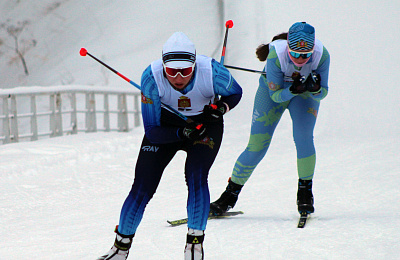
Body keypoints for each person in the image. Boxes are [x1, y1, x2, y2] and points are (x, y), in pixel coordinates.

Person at [97, 32, 242, 260]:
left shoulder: (212, 71)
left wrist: (220, 108)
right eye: (171, 70)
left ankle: (194, 249)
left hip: (206, 125)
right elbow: (152, 131)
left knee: (196, 175)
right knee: (142, 186)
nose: (178, 77)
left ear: (194, 64)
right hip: (166, 128)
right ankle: (119, 249)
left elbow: (236, 93)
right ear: (163, 65)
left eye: (185, 70)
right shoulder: (151, 77)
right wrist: (180, 132)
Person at [210, 22, 330, 217]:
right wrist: (292, 89)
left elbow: (323, 93)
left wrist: (314, 89)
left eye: (306, 55)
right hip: (273, 92)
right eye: (295, 54)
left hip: (304, 96)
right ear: (288, 48)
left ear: (312, 50)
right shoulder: (277, 54)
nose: (300, 59)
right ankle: (229, 196)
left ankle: (305, 193)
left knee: (304, 138)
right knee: (256, 146)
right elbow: (275, 96)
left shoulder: (322, 55)